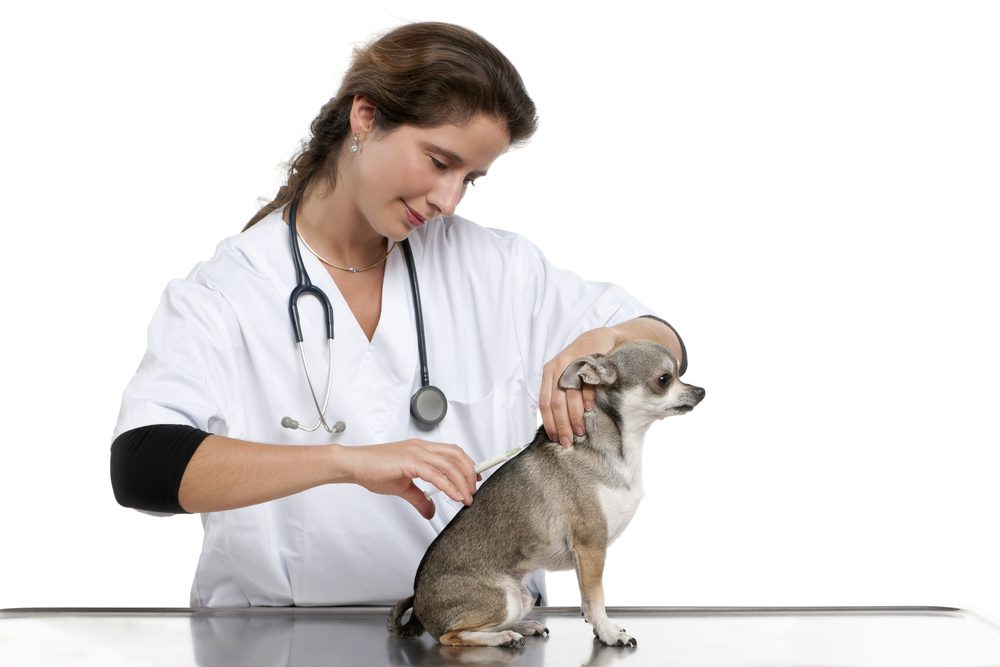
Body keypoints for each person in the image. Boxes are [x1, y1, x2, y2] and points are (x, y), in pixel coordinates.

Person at [110, 21, 687, 607]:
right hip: (278, 639)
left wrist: (609, 336)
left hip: (480, 638)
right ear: (366, 117)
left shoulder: (495, 268)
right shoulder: (230, 290)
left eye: (470, 178)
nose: (448, 199)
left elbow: (661, 338)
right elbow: (140, 465)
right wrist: (346, 463)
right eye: (439, 161)